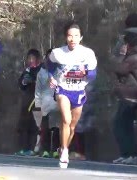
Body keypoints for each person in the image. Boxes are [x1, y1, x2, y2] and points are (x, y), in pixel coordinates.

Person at [48, 22, 97, 168]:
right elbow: (50, 64)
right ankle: (64, 155)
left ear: (80, 37)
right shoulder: (58, 53)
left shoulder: (87, 53)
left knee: (72, 126)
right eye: (70, 36)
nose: (73, 39)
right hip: (62, 89)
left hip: (79, 92)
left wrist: (86, 73)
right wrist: (51, 77)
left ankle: (64, 147)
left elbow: (93, 74)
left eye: (76, 36)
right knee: (66, 119)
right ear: (65, 37)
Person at [111, 32, 137, 165]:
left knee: (120, 126)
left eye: (124, 43)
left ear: (128, 45)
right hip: (131, 95)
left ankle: (130, 154)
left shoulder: (133, 58)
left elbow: (119, 69)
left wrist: (121, 55)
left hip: (130, 97)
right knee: (124, 126)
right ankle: (126, 154)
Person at [15, 49, 42, 156]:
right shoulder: (27, 70)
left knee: (35, 125)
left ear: (37, 59)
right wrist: (24, 81)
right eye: (29, 58)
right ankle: (24, 148)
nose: (30, 61)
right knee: (23, 124)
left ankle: (34, 148)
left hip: (38, 100)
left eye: (33, 58)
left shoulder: (42, 70)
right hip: (27, 100)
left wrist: (34, 81)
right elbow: (21, 84)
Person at [34, 48, 61, 158]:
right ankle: (44, 150)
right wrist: (38, 105)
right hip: (45, 104)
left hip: (57, 103)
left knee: (57, 128)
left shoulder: (60, 71)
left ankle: (55, 150)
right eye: (49, 57)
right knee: (45, 128)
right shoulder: (41, 72)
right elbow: (38, 90)